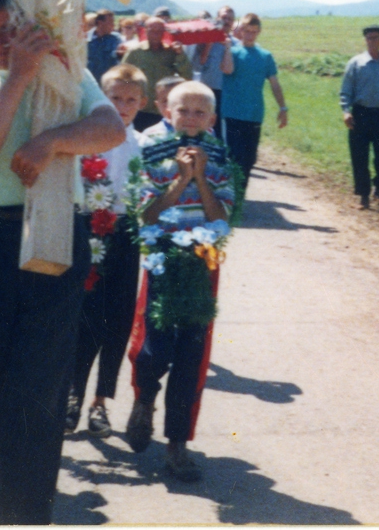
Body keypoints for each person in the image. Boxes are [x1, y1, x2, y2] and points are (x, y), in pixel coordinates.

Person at [0, 0, 124, 525]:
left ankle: (27, 514)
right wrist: (17, 78)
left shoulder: (68, 76)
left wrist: (51, 140)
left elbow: (110, 128)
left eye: (7, 30)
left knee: (41, 388)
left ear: (28, 26)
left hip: (53, 232)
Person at [124, 82, 237, 482]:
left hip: (202, 259)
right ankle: (145, 398)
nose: (190, 119)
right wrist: (178, 181)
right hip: (162, 256)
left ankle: (177, 445)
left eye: (199, 112)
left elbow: (220, 214)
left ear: (211, 118)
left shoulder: (220, 153)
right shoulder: (151, 150)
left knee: (193, 351)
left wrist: (201, 176)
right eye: (182, 111)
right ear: (166, 111)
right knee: (154, 344)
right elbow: (146, 214)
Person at [68, 63, 147, 438]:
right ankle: (72, 396)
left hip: (125, 233)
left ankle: (101, 402)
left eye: (131, 99)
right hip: (88, 229)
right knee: (85, 316)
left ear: (142, 103)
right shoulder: (87, 138)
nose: (123, 105)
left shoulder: (143, 144)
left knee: (116, 320)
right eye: (115, 98)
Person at [218, 13, 288, 184]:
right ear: (240, 31)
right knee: (233, 159)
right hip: (232, 114)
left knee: (249, 161)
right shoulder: (232, 51)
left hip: (254, 115)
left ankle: (239, 200)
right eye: (246, 31)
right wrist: (227, 47)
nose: (250, 35)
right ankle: (228, 201)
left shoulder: (265, 56)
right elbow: (227, 70)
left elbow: (274, 83)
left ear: (259, 32)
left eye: (254, 31)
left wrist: (283, 108)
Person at [340, 25, 379, 211]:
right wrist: (346, 111)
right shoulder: (356, 63)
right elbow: (346, 90)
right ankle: (364, 195)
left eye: (375, 38)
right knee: (359, 157)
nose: (371, 41)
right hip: (361, 114)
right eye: (368, 38)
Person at [121, 17, 194, 132]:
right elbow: (123, 76)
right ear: (145, 31)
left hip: (163, 110)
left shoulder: (171, 52)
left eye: (159, 31)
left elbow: (187, 76)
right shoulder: (135, 52)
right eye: (152, 30)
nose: (156, 34)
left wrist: (180, 55)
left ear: (164, 33)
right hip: (139, 110)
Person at [189, 6, 235, 140]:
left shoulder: (236, 44)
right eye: (223, 18)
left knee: (223, 130)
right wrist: (209, 44)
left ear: (233, 22)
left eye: (229, 19)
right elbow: (197, 66)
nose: (226, 21)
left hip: (227, 93)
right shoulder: (204, 42)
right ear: (217, 19)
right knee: (204, 127)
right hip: (207, 91)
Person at [86, 9, 124, 83]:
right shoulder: (85, 39)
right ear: (100, 23)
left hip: (109, 83)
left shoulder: (116, 39)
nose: (113, 26)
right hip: (90, 83)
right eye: (110, 23)